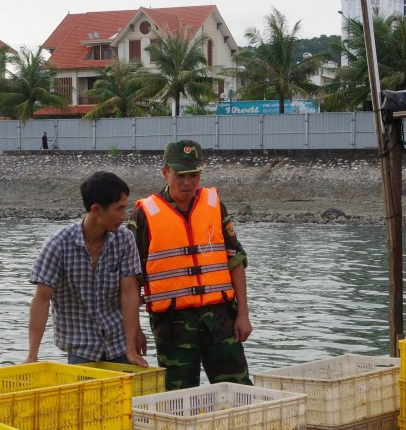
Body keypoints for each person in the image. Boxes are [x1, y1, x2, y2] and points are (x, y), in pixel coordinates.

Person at [129, 140, 251, 390]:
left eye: (194, 175)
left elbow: (235, 261)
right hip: (172, 326)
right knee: (178, 398)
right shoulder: (145, 214)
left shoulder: (215, 206)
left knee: (239, 390)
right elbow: (131, 279)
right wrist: (134, 330)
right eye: (180, 175)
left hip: (220, 320)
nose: (188, 182)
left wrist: (243, 314)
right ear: (165, 172)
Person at [27, 171, 147, 366]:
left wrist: (132, 345)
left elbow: (129, 293)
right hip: (81, 347)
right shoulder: (57, 244)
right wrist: (32, 356)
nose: (123, 217)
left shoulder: (125, 239)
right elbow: (41, 299)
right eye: (119, 209)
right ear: (97, 210)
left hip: (120, 344)